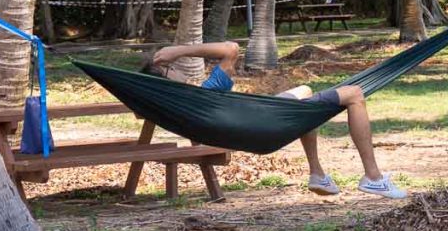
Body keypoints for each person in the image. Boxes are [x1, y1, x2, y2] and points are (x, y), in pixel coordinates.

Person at [143, 41, 407, 199]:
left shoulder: (187, 108)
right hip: (266, 123)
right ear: (166, 74)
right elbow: (231, 49)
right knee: (355, 94)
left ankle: (317, 174)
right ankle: (373, 177)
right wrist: (177, 51)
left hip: (257, 124)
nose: (179, 70)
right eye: (173, 68)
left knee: (303, 92)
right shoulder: (204, 95)